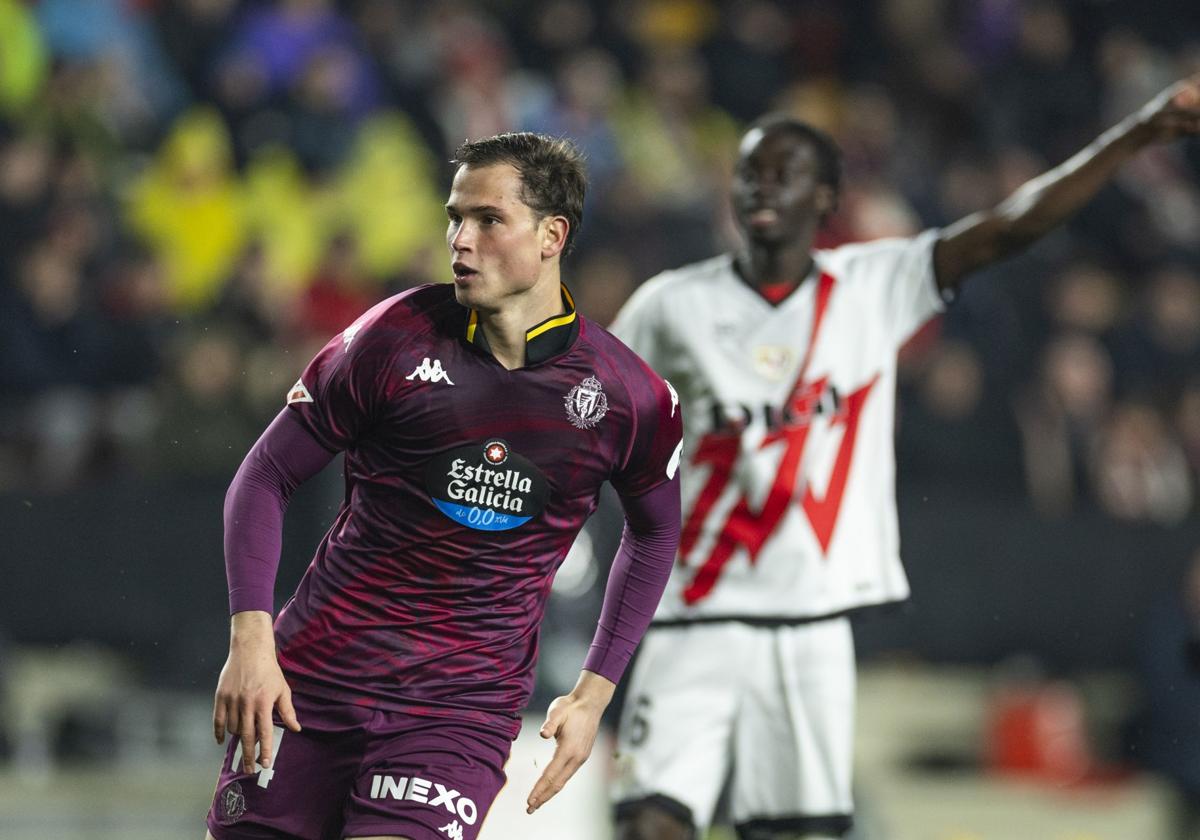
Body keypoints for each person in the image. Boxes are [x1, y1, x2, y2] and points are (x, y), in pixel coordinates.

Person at [609, 78, 1200, 840]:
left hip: (808, 627)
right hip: (694, 615)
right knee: (649, 822)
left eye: (785, 170)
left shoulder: (869, 289)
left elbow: (1008, 228)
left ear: (827, 200)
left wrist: (1134, 135)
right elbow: (590, 421)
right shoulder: (669, 307)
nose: (763, 185)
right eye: (750, 169)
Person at [204, 132, 684, 840]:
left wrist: (595, 691)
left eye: (489, 220)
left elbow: (656, 530)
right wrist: (251, 642)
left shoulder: (625, 397)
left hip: (456, 711)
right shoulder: (392, 339)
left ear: (552, 235)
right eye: (455, 217)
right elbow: (266, 474)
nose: (461, 240)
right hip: (312, 684)